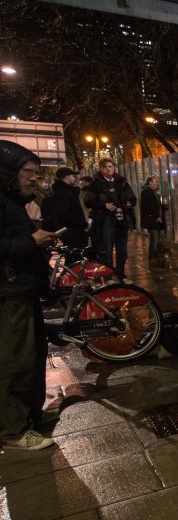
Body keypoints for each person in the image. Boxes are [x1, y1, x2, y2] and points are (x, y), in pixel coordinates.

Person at [0, 141, 60, 450]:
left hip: (23, 289)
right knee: (16, 362)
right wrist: (31, 241)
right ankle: (13, 431)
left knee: (34, 355)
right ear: (9, 172)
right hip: (10, 294)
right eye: (28, 172)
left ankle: (30, 417)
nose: (33, 179)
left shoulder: (11, 201)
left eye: (36, 173)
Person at [84, 158, 137, 282]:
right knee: (107, 250)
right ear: (101, 169)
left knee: (122, 250)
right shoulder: (95, 184)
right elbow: (88, 201)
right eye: (106, 167)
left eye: (111, 166)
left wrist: (127, 204)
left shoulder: (122, 182)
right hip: (105, 220)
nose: (109, 169)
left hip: (121, 219)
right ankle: (108, 277)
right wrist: (104, 205)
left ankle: (120, 276)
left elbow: (132, 198)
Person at [41, 167, 89, 256]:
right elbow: (65, 214)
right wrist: (83, 224)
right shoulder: (63, 192)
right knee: (74, 258)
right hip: (72, 232)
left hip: (73, 231)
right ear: (66, 177)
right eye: (73, 176)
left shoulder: (66, 191)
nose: (75, 178)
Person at [140, 175, 167, 268]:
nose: (157, 183)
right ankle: (152, 257)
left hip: (156, 219)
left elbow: (157, 206)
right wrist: (156, 216)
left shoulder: (154, 192)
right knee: (154, 239)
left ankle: (155, 256)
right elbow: (148, 206)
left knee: (156, 238)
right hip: (152, 220)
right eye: (155, 181)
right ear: (150, 182)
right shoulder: (146, 192)